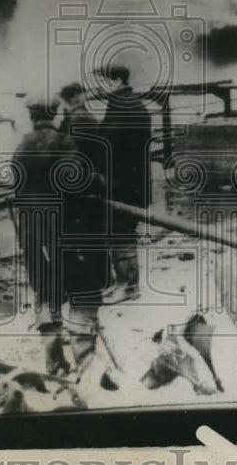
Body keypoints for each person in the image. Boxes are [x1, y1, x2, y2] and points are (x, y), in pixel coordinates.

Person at [13, 95, 106, 376]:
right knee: (80, 292)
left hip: (33, 234)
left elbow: (17, 187)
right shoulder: (64, 143)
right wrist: (98, 181)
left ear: (32, 117)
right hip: (62, 232)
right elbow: (76, 181)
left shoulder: (22, 146)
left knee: (46, 293)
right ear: (54, 116)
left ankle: (54, 362)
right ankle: (85, 360)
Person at [95, 63, 152, 302]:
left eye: (104, 81)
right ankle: (123, 282)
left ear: (117, 80)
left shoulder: (121, 105)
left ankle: (128, 287)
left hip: (124, 185)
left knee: (122, 233)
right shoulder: (131, 103)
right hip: (133, 182)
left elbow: (110, 144)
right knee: (120, 232)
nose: (99, 87)